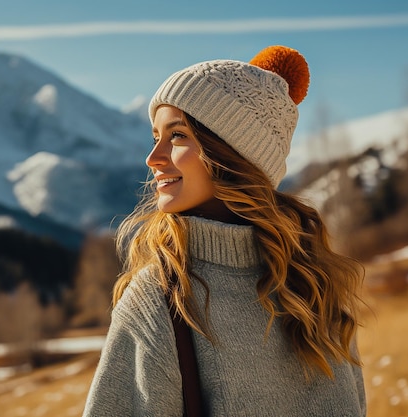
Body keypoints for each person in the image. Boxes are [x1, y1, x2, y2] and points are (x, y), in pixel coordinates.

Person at [83, 45, 366, 416]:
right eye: (156, 137)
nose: (153, 158)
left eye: (178, 135)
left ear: (230, 153)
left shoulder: (313, 285)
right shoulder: (165, 299)